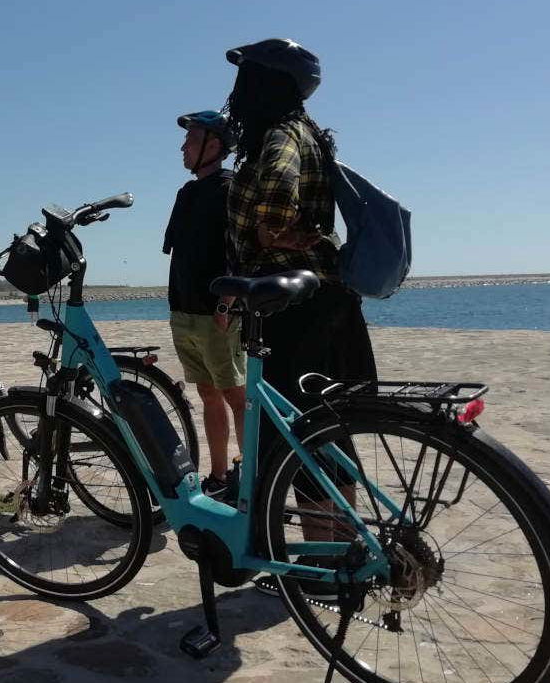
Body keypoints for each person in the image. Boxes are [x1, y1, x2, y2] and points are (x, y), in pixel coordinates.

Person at [223, 39, 377, 597]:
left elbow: (273, 209)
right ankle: (335, 557)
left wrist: (270, 236)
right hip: (326, 305)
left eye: (247, 79)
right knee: (326, 434)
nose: (236, 92)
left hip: (301, 312)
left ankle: (328, 567)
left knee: (307, 436)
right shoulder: (305, 134)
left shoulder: (282, 137)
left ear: (269, 85)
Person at [162, 110, 244, 499]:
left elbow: (242, 253)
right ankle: (219, 475)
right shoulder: (187, 192)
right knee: (209, 394)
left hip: (216, 315)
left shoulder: (231, 189)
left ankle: (251, 475)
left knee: (237, 395)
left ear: (215, 146)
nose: (183, 146)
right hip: (184, 311)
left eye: (191, 140)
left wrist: (227, 305)